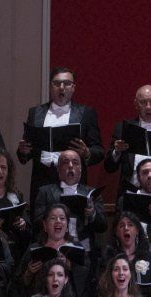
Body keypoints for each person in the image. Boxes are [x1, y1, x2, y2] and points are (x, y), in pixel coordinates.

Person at [16, 67, 104, 199]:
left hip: (73, 180)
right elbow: (26, 151)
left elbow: (99, 150)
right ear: (50, 87)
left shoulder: (86, 113)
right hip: (42, 180)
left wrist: (87, 153)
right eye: (57, 83)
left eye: (67, 83)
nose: (61, 87)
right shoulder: (35, 112)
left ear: (73, 87)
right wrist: (23, 151)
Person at [32, 148, 107, 255]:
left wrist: (92, 214)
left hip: (83, 246)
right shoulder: (45, 192)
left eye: (75, 163)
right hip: (54, 246)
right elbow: (37, 224)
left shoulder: (92, 194)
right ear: (58, 169)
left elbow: (103, 226)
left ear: (81, 169)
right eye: (65, 162)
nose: (71, 166)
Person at [0, 147, 31, 263]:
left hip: (16, 253)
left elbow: (29, 229)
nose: (0, 172)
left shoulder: (16, 194)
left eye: (4, 167)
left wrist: (23, 224)